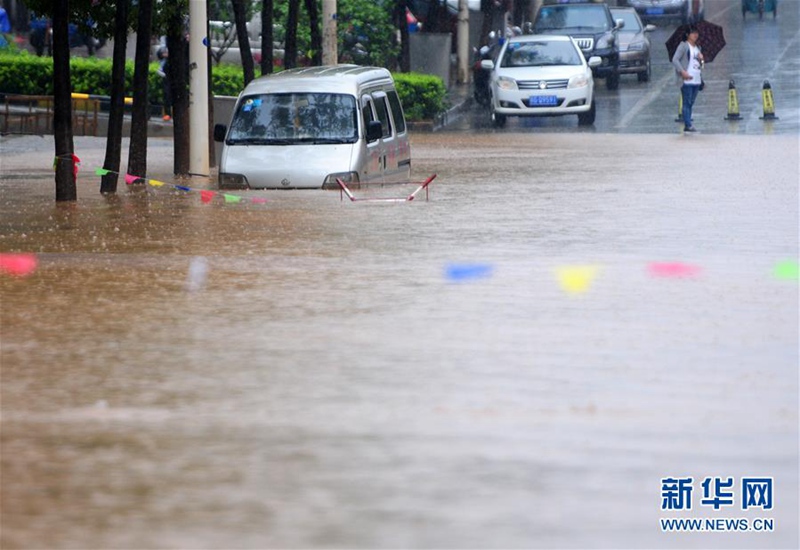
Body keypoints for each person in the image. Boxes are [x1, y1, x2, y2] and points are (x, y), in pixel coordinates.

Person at [672, 25, 704, 133]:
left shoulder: (698, 48)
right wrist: (682, 71)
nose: (695, 35)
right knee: (687, 101)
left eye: (696, 33)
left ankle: (688, 123)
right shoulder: (683, 46)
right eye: (693, 33)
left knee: (691, 102)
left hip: (696, 79)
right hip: (686, 79)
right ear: (687, 35)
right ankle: (688, 124)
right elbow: (675, 59)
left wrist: (701, 59)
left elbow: (701, 65)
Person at [156, 44, 172, 122]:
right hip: (167, 81)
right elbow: (159, 71)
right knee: (167, 97)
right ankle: (168, 114)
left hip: (168, 81)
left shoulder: (166, 61)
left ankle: (168, 114)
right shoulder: (164, 62)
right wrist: (165, 76)